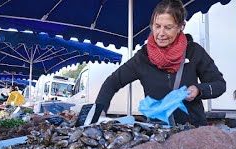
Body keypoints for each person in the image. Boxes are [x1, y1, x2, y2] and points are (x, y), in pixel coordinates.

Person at [95, 0, 226, 127]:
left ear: (181, 27)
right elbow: (112, 82)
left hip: (193, 131)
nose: (161, 33)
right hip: (159, 134)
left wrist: (199, 90)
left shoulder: (194, 51)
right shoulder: (142, 57)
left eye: (168, 27)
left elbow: (219, 84)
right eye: (157, 26)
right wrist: (99, 112)